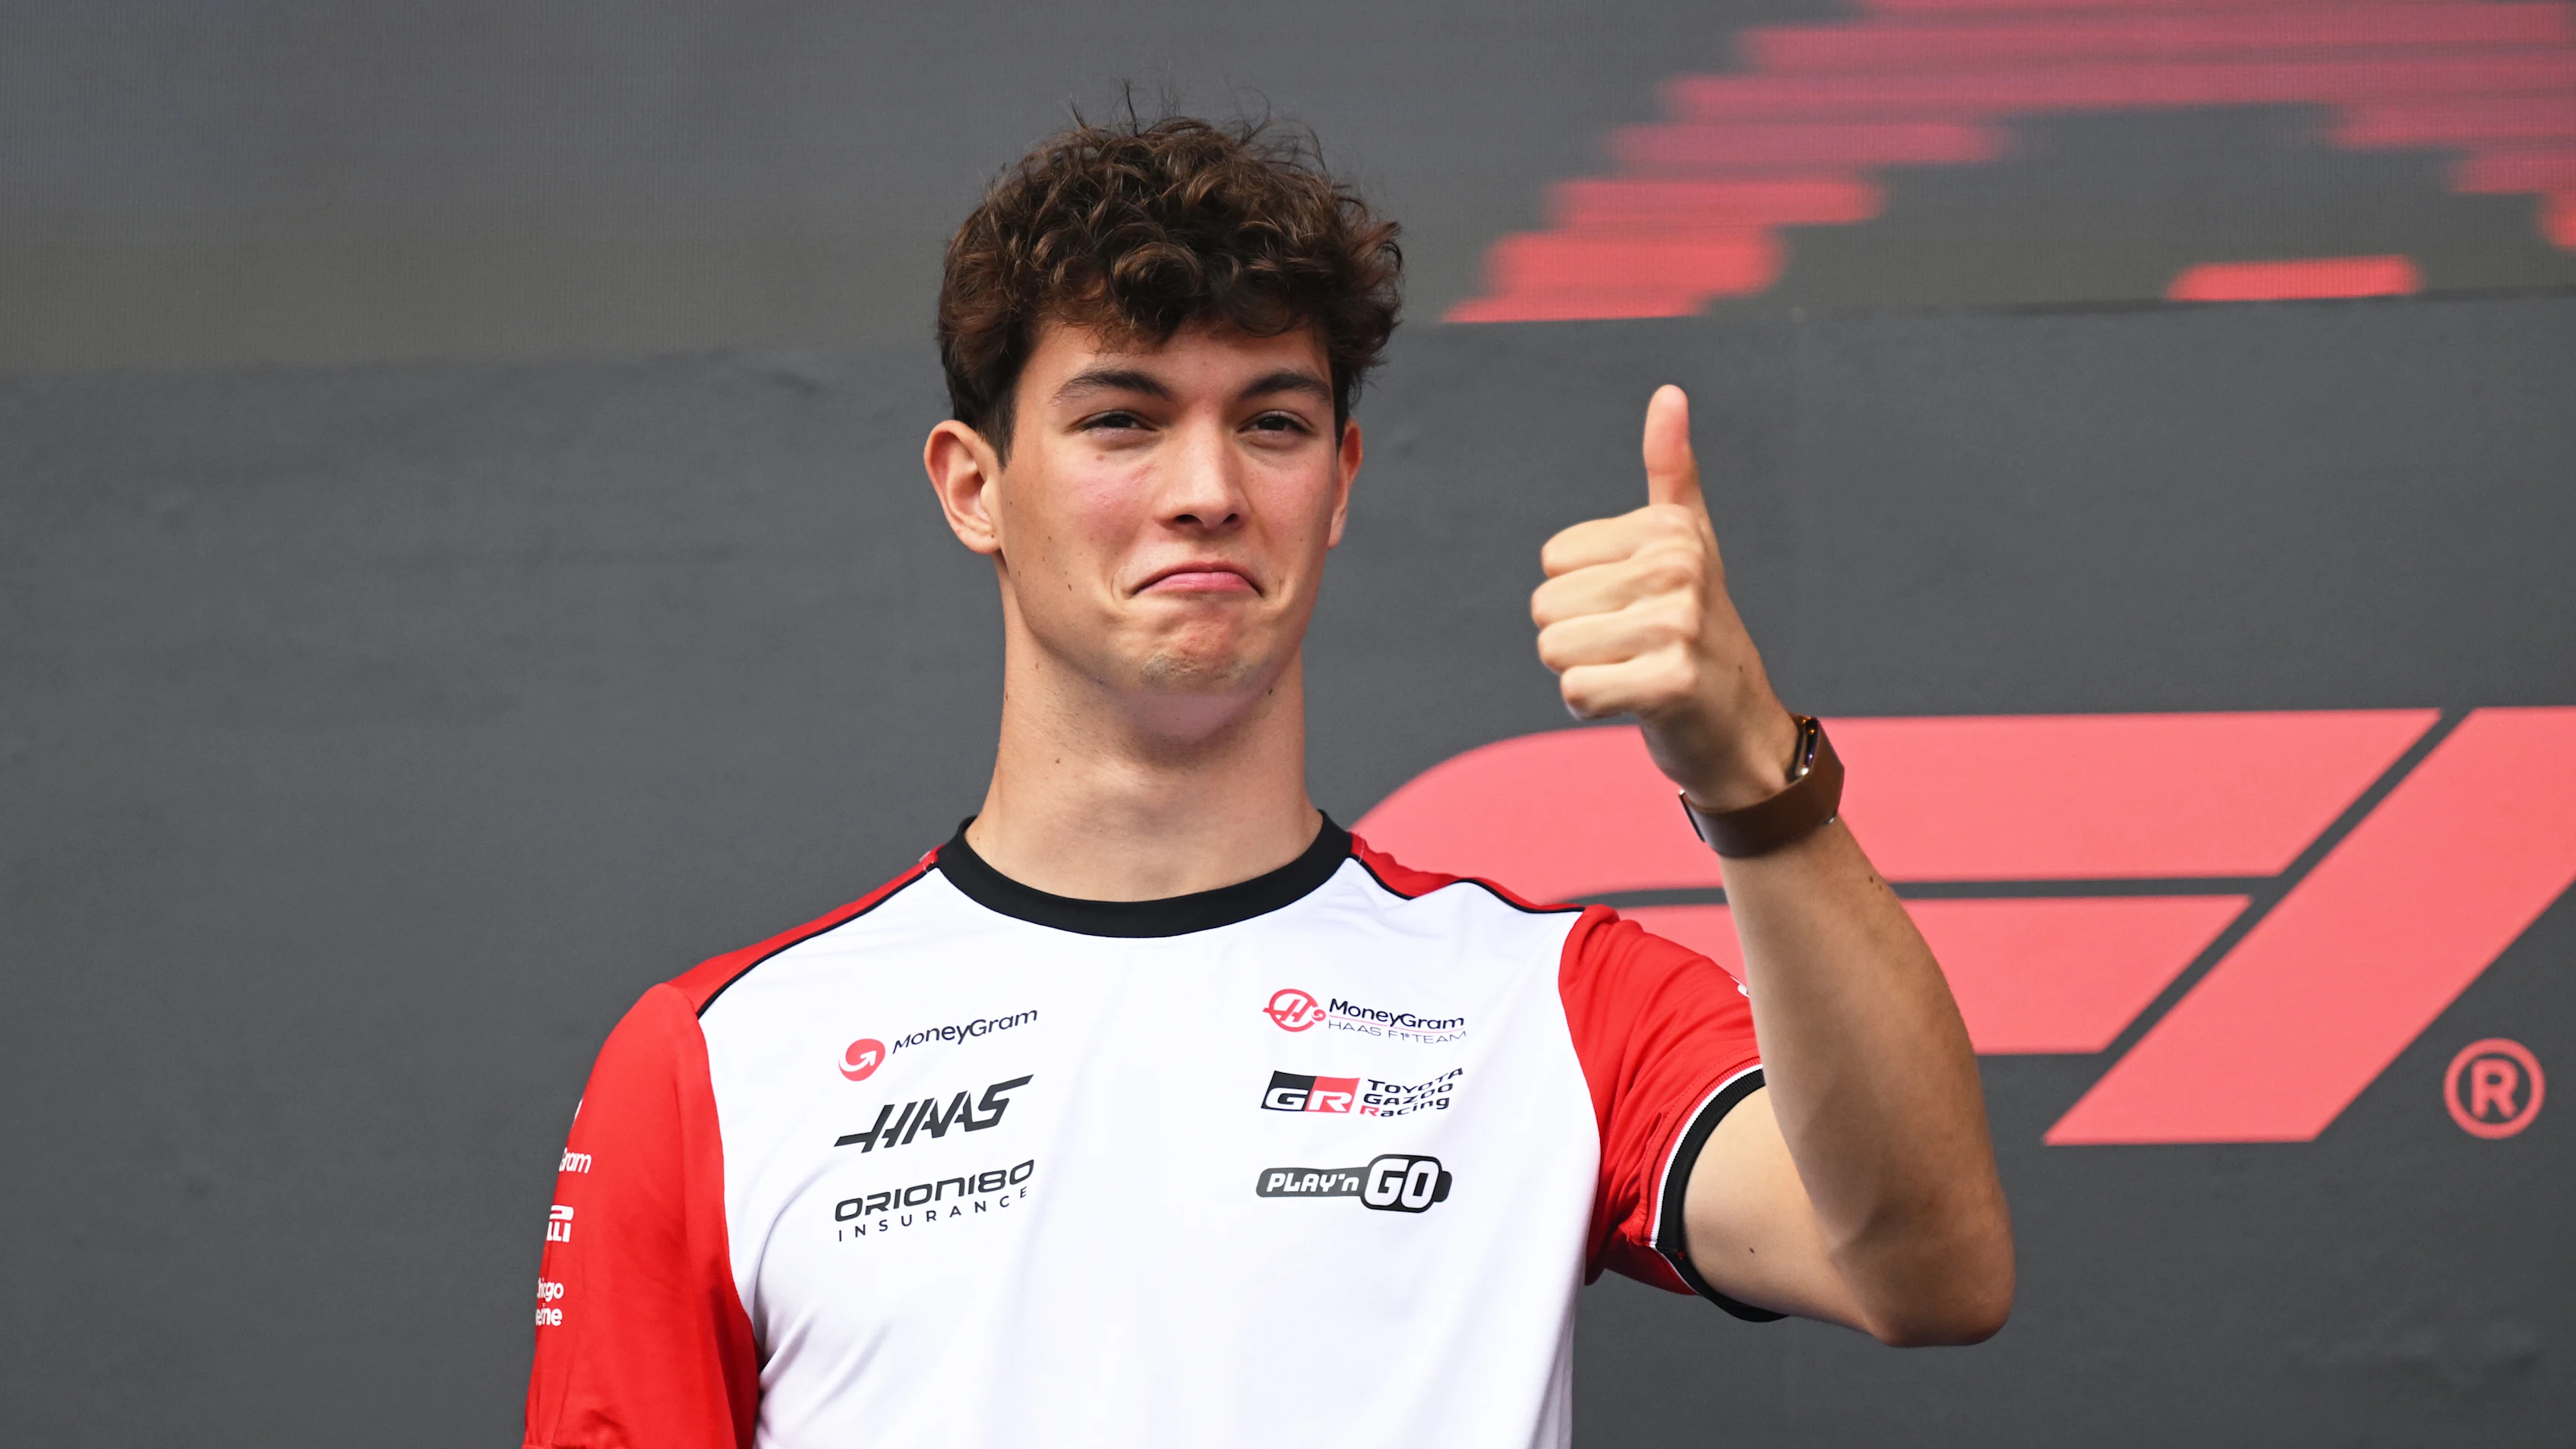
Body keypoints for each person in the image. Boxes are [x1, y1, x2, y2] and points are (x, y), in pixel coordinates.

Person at [523, 115, 2011, 1449]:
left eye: (1271, 422)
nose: (1208, 490)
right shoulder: (724, 1060)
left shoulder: (1546, 999)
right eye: (1122, 419)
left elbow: (1928, 1271)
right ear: (973, 486)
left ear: (1341, 480)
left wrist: (1754, 777)